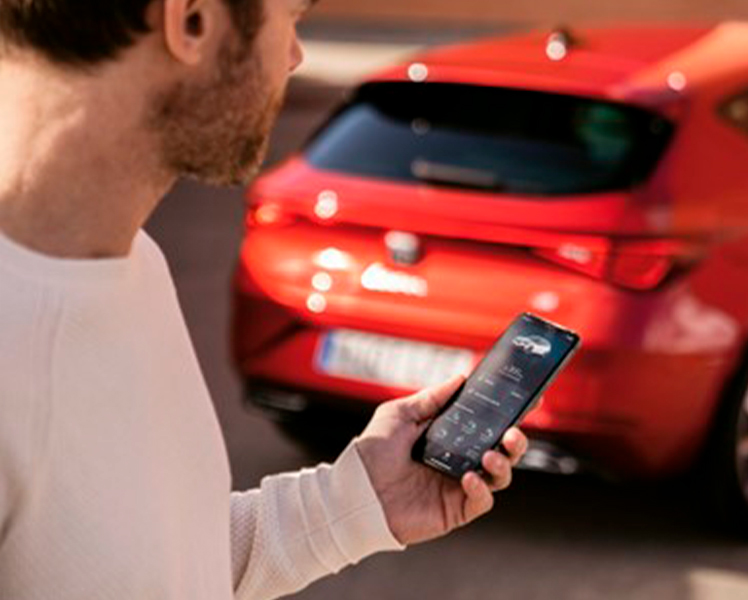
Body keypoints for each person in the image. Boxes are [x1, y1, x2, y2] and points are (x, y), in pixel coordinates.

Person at [0, 1, 529, 598]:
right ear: (192, 20)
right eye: (292, 19)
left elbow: (163, 568)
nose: (295, 56)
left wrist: (360, 500)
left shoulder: (132, 263)